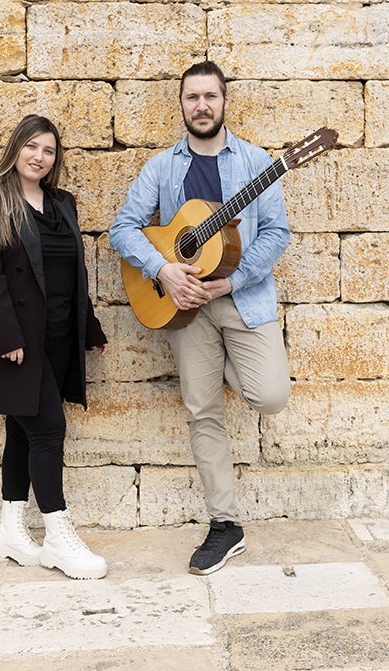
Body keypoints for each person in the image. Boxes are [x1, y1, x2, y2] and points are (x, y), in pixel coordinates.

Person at [109, 61, 291, 575]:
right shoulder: (162, 168)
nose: (202, 105)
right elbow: (123, 228)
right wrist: (163, 268)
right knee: (202, 412)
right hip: (185, 309)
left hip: (242, 298)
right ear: (182, 104)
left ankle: (238, 366)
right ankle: (224, 526)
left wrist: (232, 279)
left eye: (211, 96)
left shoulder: (258, 162)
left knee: (269, 395)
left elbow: (277, 233)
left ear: (225, 101)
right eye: (193, 97)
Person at [0, 114, 109, 580]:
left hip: (59, 336)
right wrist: (6, 337)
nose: (39, 156)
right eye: (32, 146)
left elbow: (71, 275)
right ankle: (59, 538)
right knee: (47, 430)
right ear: (16, 147)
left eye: (49, 150)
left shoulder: (63, 203)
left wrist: (91, 328)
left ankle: (10, 529)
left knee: (21, 433)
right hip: (18, 342)